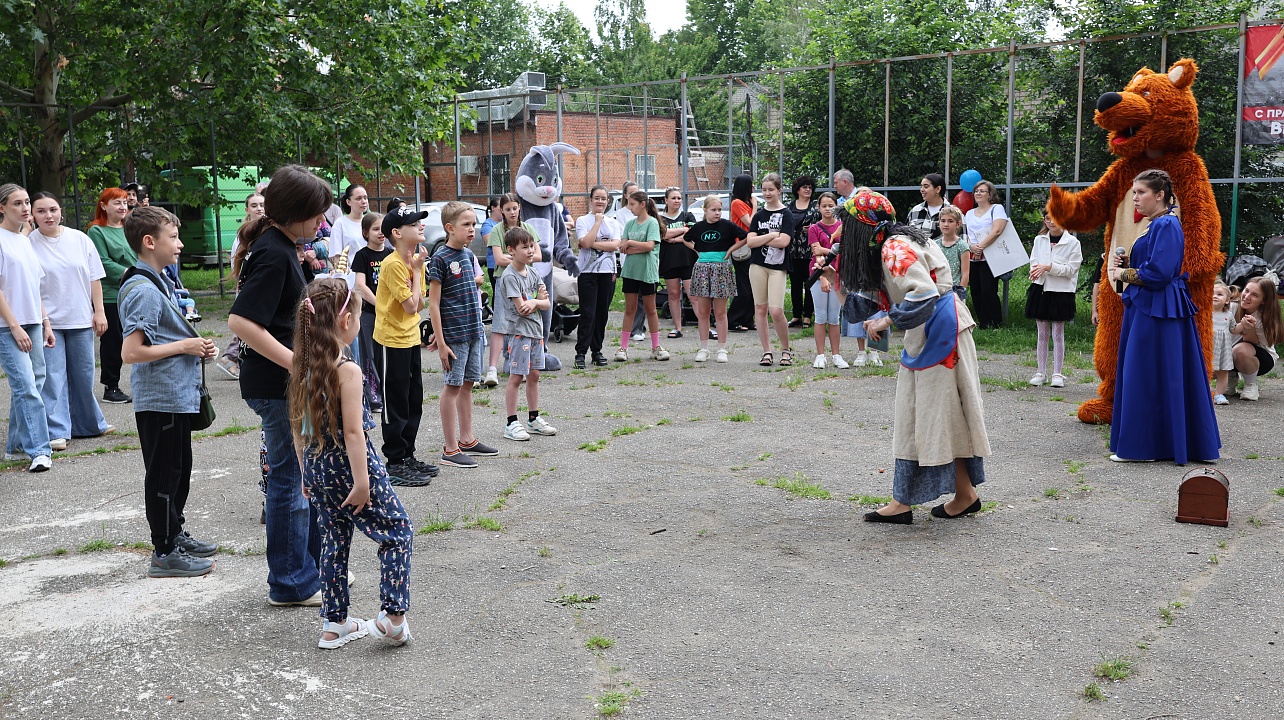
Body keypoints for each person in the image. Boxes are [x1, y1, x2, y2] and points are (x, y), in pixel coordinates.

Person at [839, 190, 991, 524]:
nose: (843, 231)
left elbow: (922, 293)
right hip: (940, 330)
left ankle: (903, 502)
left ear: (863, 226)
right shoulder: (903, 239)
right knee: (944, 415)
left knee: (924, 415)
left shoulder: (894, 248)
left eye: (848, 224)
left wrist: (887, 319)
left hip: (938, 333)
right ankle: (963, 494)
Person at [228, 165, 337, 606]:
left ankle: (307, 574)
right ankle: (291, 583)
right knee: (290, 481)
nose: (321, 223)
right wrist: (297, 364)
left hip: (282, 384)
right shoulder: (274, 252)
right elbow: (240, 321)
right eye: (315, 214)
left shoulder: (280, 244)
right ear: (293, 212)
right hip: (276, 387)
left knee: (298, 478)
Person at [289, 277, 414, 649]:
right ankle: (393, 618)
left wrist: (304, 472)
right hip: (350, 467)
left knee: (334, 539)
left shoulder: (300, 365)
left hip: (316, 464)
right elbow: (354, 433)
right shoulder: (348, 370)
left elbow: (297, 426)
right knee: (397, 530)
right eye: (358, 315)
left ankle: (334, 623)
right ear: (346, 323)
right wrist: (362, 481)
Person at [118, 206, 219, 576]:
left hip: (176, 395)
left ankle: (174, 533)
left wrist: (194, 344)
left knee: (180, 469)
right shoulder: (143, 289)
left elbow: (168, 333)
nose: (178, 245)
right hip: (160, 398)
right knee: (163, 475)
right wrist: (185, 347)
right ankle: (163, 551)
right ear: (149, 242)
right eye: (173, 237)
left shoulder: (160, 280)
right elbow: (131, 352)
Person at [1106, 169, 1220, 464]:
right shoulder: (1158, 224)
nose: (1135, 198)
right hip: (1153, 307)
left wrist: (1123, 272)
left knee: (1146, 375)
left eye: (1140, 192)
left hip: (1157, 310)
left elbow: (1159, 274)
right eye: (1133, 193)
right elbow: (1156, 265)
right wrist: (1132, 263)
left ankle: (1145, 448)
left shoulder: (1166, 225)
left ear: (1160, 195)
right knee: (1155, 374)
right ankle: (1157, 444)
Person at [28, 192, 112, 449]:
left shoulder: (80, 239)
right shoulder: (29, 243)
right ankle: (57, 430)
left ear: (61, 211)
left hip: (80, 318)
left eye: (52, 209)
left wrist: (99, 311)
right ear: (32, 215)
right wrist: (43, 320)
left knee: (84, 374)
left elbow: (94, 278)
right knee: (53, 378)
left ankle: (88, 424)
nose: (48, 215)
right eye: (41, 211)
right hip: (48, 322)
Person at [427, 202, 499, 468]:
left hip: (474, 331)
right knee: (453, 386)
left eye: (473, 224)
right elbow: (433, 303)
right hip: (454, 335)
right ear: (449, 228)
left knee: (468, 383)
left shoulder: (468, 256)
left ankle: (467, 439)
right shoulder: (440, 258)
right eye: (466, 225)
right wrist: (441, 342)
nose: (472, 229)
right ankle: (450, 447)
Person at [371, 205, 437, 485]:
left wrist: (418, 270)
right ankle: (395, 460)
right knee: (394, 402)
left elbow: (420, 303)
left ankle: (408, 454)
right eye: (414, 224)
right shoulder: (395, 263)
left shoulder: (409, 260)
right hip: (391, 341)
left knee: (413, 400)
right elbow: (412, 307)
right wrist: (418, 272)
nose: (420, 226)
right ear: (397, 233)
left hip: (409, 339)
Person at [0, 184, 54, 472]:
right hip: (8, 326)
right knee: (26, 387)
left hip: (33, 321)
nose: (24, 208)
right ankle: (39, 451)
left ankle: (15, 447)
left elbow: (35, 287)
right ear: (2, 208)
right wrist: (14, 326)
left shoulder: (24, 240)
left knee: (34, 384)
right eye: (17, 203)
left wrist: (45, 322)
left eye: (26, 203)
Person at [497, 228, 558, 441]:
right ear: (511, 250)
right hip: (518, 334)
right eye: (525, 247)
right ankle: (511, 422)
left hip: (535, 333)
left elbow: (546, 303)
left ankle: (533, 418)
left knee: (534, 375)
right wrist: (535, 302)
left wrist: (534, 302)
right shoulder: (509, 276)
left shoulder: (533, 273)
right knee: (516, 377)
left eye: (531, 246)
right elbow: (521, 308)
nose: (531, 251)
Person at [484, 193, 539, 386]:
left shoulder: (528, 228)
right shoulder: (498, 230)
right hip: (504, 280)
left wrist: (520, 258)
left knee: (523, 321)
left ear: (519, 208)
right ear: (501, 211)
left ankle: (517, 364)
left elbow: (538, 255)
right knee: (500, 323)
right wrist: (521, 259)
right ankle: (492, 368)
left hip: (526, 281)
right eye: (508, 209)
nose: (512, 212)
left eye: (514, 208)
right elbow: (499, 259)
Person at [88, 187, 136, 404]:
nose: (122, 206)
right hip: (110, 295)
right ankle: (111, 386)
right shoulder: (97, 231)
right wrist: (132, 272)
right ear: (103, 206)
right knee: (114, 341)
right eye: (117, 202)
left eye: (124, 202)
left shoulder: (130, 228)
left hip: (135, 291)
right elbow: (102, 263)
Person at [1026, 209, 1082, 389]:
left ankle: (1057, 373)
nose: (1051, 222)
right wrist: (1035, 271)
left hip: (1061, 292)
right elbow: (1034, 262)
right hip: (1041, 289)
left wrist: (1049, 267)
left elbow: (1070, 270)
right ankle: (1040, 372)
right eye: (1048, 218)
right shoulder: (1039, 239)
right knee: (1042, 334)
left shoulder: (1073, 242)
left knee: (1058, 333)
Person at [687, 196, 747, 364]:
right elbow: (686, 239)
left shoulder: (727, 225)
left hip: (721, 268)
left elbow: (745, 236)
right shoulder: (698, 227)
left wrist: (730, 251)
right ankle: (704, 348)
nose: (717, 213)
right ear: (705, 210)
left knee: (720, 312)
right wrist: (697, 251)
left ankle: (722, 348)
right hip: (702, 269)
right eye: (713, 210)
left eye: (719, 210)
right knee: (704, 312)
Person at [746, 173, 796, 367]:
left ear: (779, 190)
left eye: (771, 189)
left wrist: (764, 237)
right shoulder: (758, 215)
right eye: (764, 189)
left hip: (778, 267)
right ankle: (767, 351)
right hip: (758, 265)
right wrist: (772, 234)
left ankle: (786, 350)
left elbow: (784, 242)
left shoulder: (787, 214)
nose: (767, 193)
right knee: (760, 308)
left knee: (776, 310)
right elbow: (750, 242)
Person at [615, 190, 670, 362]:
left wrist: (632, 244)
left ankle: (656, 346)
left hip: (647, 272)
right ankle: (623, 348)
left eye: (632, 204)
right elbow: (622, 247)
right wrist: (634, 246)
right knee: (630, 309)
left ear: (642, 204)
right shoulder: (630, 224)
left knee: (651, 309)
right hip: (631, 271)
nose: (630, 208)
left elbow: (649, 246)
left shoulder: (652, 223)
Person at [573, 186, 622, 369]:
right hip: (587, 273)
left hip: (607, 272)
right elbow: (584, 242)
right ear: (591, 200)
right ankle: (580, 352)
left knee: (602, 313)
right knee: (588, 312)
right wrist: (597, 223)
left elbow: (616, 245)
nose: (600, 202)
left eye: (603, 198)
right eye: (597, 198)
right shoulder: (583, 220)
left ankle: (597, 351)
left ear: (608, 201)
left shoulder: (613, 222)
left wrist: (593, 243)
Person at [353, 212, 390, 412]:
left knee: (386, 355)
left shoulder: (391, 254)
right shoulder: (362, 255)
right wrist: (379, 304)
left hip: (389, 315)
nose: (380, 233)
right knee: (369, 355)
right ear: (366, 233)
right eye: (376, 229)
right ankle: (373, 396)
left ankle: (387, 392)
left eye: (383, 228)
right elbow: (360, 284)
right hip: (369, 313)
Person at [807, 192, 847, 369]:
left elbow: (844, 250)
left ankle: (836, 355)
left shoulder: (842, 226)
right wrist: (823, 277)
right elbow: (816, 253)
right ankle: (820, 355)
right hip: (818, 275)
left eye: (831, 205)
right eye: (824, 206)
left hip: (839, 274)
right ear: (819, 208)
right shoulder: (814, 228)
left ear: (836, 206)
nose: (828, 209)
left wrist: (827, 250)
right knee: (821, 315)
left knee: (834, 317)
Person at [1229, 275, 1281, 402]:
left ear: (1264, 300)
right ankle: (1229, 379)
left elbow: (1255, 343)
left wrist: (1249, 328)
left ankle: (1250, 385)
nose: (1247, 296)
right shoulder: (1231, 307)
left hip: (1260, 358)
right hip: (1228, 354)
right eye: (1246, 291)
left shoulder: (1265, 318)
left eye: (1255, 295)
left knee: (1240, 349)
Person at [964, 180, 1008, 329]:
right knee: (976, 290)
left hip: (990, 256)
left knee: (989, 290)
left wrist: (981, 247)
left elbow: (997, 230)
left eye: (982, 191)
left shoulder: (997, 208)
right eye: (976, 191)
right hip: (973, 256)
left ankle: (995, 323)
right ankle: (982, 322)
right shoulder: (969, 213)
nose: (978, 193)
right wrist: (972, 247)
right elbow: (966, 234)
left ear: (990, 195)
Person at [657, 187, 696, 339]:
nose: (677, 201)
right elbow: (662, 234)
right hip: (669, 261)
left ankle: (704, 326)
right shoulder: (660, 219)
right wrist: (683, 230)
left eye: (679, 198)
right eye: (673, 198)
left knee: (693, 294)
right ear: (666, 200)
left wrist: (674, 239)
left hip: (687, 260)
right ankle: (677, 327)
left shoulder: (688, 215)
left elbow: (692, 234)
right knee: (673, 294)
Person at [787, 176, 819, 329]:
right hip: (793, 251)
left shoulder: (816, 206)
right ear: (797, 189)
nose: (807, 190)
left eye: (810, 187)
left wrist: (813, 227)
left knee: (809, 284)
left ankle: (807, 316)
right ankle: (796, 315)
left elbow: (823, 224)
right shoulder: (789, 206)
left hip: (810, 251)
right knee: (795, 285)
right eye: (804, 187)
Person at [728, 174, 757, 333]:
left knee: (753, 286)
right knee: (744, 287)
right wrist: (756, 207)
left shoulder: (747, 202)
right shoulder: (737, 203)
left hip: (753, 245)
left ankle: (747, 319)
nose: (753, 187)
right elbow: (751, 223)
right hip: (742, 247)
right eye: (751, 184)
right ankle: (732, 319)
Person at [329, 185, 369, 272]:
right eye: (358, 198)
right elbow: (337, 255)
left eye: (365, 198)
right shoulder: (340, 223)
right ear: (348, 202)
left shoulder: (371, 222)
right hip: (351, 275)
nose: (363, 201)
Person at [936, 206, 970, 300]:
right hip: (938, 290)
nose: (946, 224)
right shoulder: (935, 245)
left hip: (955, 292)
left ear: (958, 224)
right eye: (943, 221)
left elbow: (965, 274)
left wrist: (959, 295)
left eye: (950, 221)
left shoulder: (962, 246)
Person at [1210, 281, 1235, 405]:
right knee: (1205, 371)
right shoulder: (1205, 313)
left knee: (1223, 372)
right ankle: (1206, 392)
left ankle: (1219, 394)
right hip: (1209, 347)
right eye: (1212, 293)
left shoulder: (1228, 315)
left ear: (1227, 300)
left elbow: (1234, 329)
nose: (1214, 296)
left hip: (1223, 348)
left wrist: (1244, 325)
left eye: (1219, 294)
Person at [907, 173, 952, 240]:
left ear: (938, 189)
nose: (921, 190)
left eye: (926, 186)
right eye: (921, 186)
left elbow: (962, 243)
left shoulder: (953, 213)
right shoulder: (915, 211)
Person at [481, 196, 502, 290]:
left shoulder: (504, 223)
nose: (503, 210)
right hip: (494, 265)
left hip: (506, 263)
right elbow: (489, 243)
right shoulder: (488, 224)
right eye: (500, 207)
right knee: (498, 294)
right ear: (493, 208)